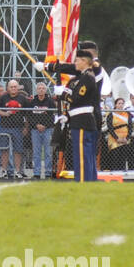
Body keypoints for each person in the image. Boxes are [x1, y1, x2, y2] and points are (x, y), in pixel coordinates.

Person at [39, 48, 100, 181]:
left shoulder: (87, 77)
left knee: (81, 155)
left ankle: (83, 181)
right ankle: (90, 181)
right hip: (82, 119)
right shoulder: (86, 76)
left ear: (84, 61)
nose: (75, 63)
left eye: (77, 60)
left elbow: (77, 99)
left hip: (82, 121)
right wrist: (48, 66)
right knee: (87, 155)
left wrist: (63, 93)